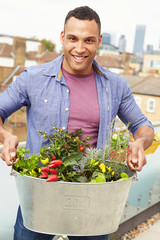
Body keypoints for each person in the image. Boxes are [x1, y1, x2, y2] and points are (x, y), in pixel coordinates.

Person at [0, 6, 154, 240]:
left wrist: (140, 143)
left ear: (99, 41)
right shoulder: (32, 79)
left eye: (89, 40)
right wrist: (6, 136)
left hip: (92, 197)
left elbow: (143, 126)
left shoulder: (115, 86)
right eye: (73, 38)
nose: (80, 49)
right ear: (62, 37)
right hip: (40, 192)